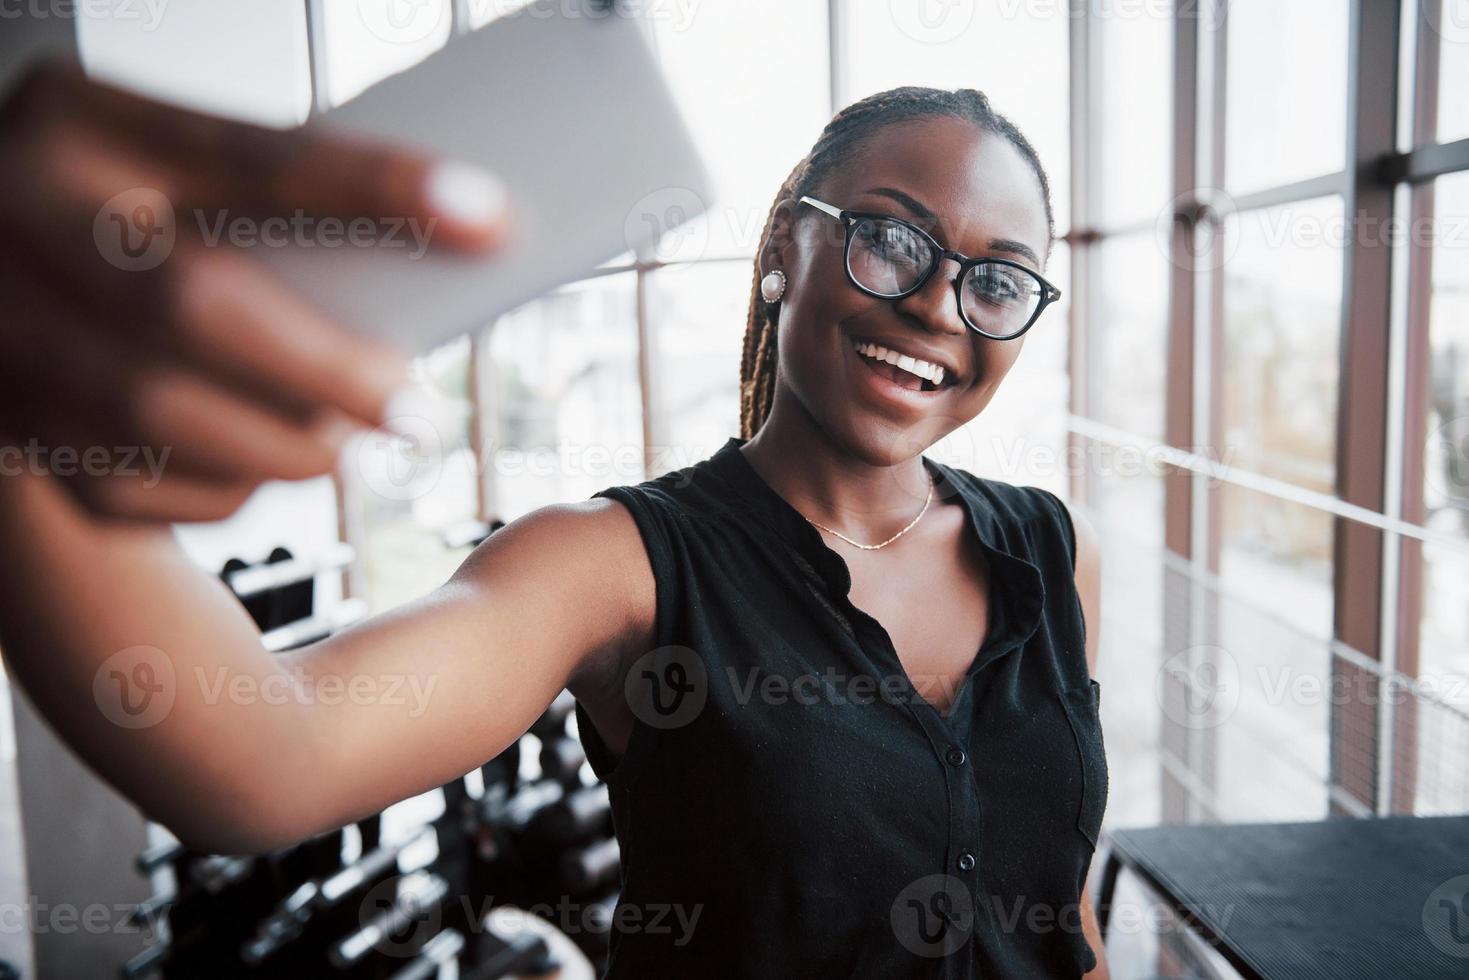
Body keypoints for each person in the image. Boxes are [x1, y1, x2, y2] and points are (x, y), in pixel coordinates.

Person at [0, 51, 1110, 980]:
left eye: (997, 280)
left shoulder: (1054, 556)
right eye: (891, 238)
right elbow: (261, 751)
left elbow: (1064, 916)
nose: (933, 303)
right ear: (784, 251)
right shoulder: (616, 564)